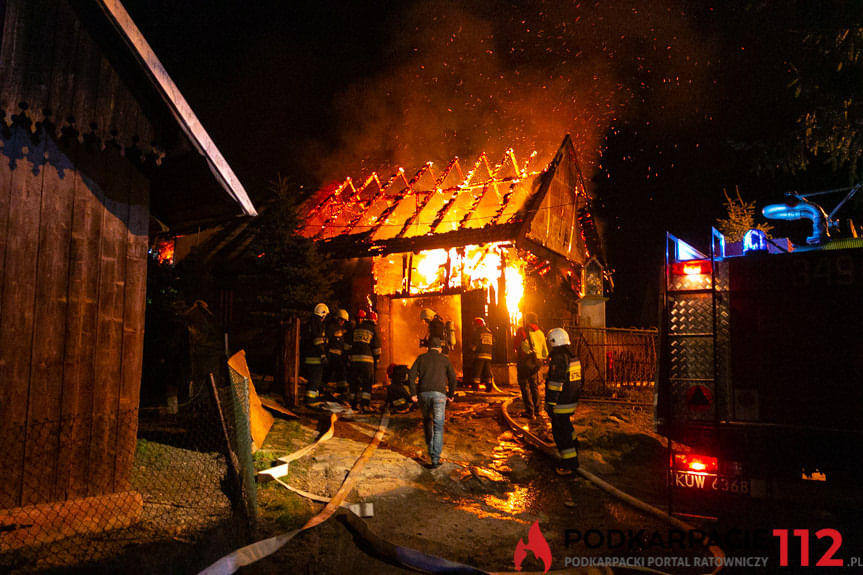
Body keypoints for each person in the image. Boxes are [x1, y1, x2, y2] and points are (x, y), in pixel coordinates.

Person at [408, 337, 457, 468]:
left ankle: (430, 451)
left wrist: (413, 394)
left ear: (428, 347)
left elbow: (411, 375)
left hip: (423, 394)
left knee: (427, 421)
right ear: (440, 348)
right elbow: (453, 378)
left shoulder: (421, 358)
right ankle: (435, 459)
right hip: (440, 396)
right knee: (438, 426)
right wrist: (451, 395)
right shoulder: (445, 359)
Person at [544, 327, 582, 475]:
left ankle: (569, 463)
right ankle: (575, 445)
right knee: (566, 425)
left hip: (560, 403)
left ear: (553, 342)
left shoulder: (559, 358)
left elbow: (555, 383)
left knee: (560, 431)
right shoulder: (573, 357)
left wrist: (550, 403)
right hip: (571, 400)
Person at [514, 312, 548, 419]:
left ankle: (530, 411)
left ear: (527, 320)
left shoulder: (522, 330)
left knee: (524, 385)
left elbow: (516, 345)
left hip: (525, 361)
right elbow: (545, 352)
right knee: (534, 385)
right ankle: (537, 410)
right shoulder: (540, 333)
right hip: (537, 362)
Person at [348, 309, 381, 413]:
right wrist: (377, 360)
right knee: (367, 382)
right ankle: (365, 405)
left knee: (354, 382)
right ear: (374, 320)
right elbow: (376, 349)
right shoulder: (373, 330)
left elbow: (348, 345)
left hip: (354, 360)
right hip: (367, 361)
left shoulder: (356, 329)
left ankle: (353, 404)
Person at [300, 303, 329, 408]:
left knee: (313, 379)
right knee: (315, 380)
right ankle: (310, 401)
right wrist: (322, 355)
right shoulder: (318, 324)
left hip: (308, 356)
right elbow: (318, 341)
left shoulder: (310, 323)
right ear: (323, 314)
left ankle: (313, 399)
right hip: (316, 357)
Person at [324, 308, 350, 400]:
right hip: (332, 354)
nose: (343, 322)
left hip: (338, 354)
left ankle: (323, 388)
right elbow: (326, 341)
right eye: (342, 320)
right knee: (340, 370)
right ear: (338, 318)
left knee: (331, 372)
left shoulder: (339, 328)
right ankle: (341, 390)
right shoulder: (331, 327)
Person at [469, 317, 494, 391]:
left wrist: (472, 349)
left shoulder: (478, 331)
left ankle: (475, 387)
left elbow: (475, 343)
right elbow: (494, 342)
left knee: (477, 371)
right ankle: (489, 387)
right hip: (489, 355)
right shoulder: (489, 332)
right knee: (487, 371)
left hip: (480, 354)